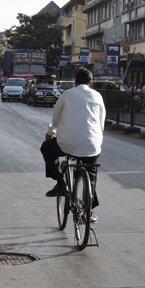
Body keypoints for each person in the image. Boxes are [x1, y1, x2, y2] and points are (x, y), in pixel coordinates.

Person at [41, 68, 105, 223]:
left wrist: (51, 132)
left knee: (46, 147)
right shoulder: (97, 96)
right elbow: (101, 121)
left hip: (66, 143)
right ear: (91, 84)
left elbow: (56, 118)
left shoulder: (67, 94)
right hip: (92, 144)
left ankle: (60, 182)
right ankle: (89, 211)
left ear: (75, 83)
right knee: (91, 175)